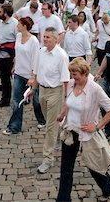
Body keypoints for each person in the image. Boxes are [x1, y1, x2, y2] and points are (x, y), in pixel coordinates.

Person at [56, 57, 110, 202]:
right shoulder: (71, 84)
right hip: (71, 131)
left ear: (84, 74)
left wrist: (96, 126)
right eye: (71, 74)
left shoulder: (95, 89)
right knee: (66, 169)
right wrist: (62, 114)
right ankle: (63, 199)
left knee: (93, 166)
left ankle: (108, 187)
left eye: (75, 75)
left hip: (87, 134)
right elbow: (68, 102)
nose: (72, 78)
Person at [29, 27, 70, 174]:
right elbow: (36, 73)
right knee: (50, 122)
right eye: (44, 37)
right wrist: (32, 90)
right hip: (42, 91)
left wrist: (66, 100)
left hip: (56, 92)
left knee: (50, 127)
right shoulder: (41, 52)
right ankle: (58, 138)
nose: (45, 39)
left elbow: (66, 80)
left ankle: (47, 159)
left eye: (48, 37)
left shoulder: (61, 55)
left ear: (55, 39)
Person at [3, 17, 44, 134]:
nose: (17, 26)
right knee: (16, 100)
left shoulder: (34, 41)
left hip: (30, 75)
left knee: (36, 101)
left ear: (25, 26)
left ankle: (42, 119)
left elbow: (36, 59)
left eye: (19, 24)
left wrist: (33, 76)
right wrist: (15, 65)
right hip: (19, 73)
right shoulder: (18, 37)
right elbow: (18, 53)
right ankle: (14, 127)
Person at [0, 3, 18, 108]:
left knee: (15, 78)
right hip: (1, 55)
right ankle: (5, 99)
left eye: (0, 12)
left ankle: (21, 97)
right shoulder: (1, 23)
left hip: (10, 56)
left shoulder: (15, 24)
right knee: (4, 78)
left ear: (6, 13)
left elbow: (18, 41)